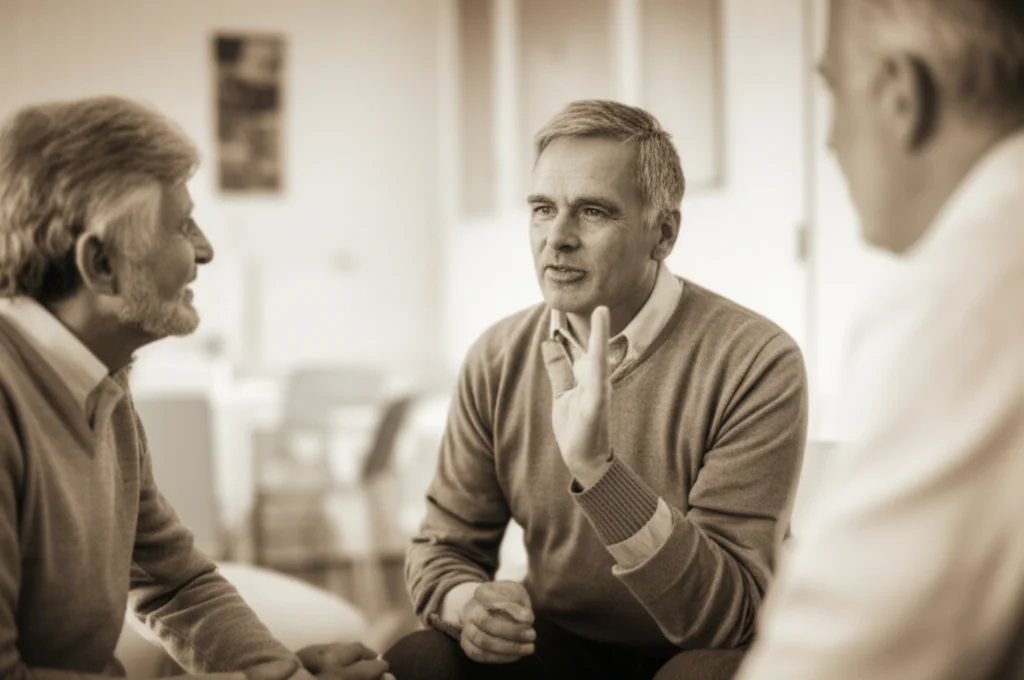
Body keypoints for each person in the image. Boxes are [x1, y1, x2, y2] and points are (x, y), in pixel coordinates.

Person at [385, 99, 808, 680]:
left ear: (663, 233)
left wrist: (601, 475)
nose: (556, 238)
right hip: (562, 646)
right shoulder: (497, 356)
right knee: (419, 659)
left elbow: (726, 617)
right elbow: (444, 546)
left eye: (592, 211)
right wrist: (468, 606)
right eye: (541, 209)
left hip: (694, 652)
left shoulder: (756, 360)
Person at [0, 96, 393, 680]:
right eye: (181, 225)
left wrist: (282, 675)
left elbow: (174, 581)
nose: (204, 250)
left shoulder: (102, 383)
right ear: (101, 265)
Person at [735, 1, 1024, 679]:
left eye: (834, 91)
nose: (831, 140)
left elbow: (837, 657)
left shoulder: (970, 291)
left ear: (901, 94)